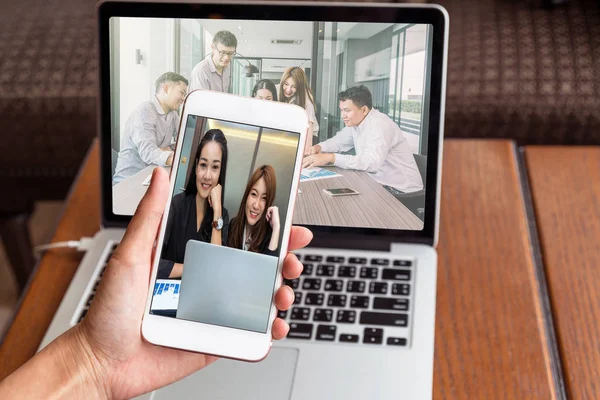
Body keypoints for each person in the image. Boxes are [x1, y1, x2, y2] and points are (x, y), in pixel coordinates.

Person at [0, 167, 312, 399]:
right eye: (253, 195)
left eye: (264, 198)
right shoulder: (227, 225)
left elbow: (265, 270)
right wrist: (92, 359)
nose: (256, 203)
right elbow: (214, 266)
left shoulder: (266, 234)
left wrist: (276, 231)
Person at [303, 85, 423, 194]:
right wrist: (319, 148)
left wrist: (330, 157)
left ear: (364, 110)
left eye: (347, 110)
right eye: (342, 110)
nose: (342, 115)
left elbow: (371, 163)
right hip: (379, 182)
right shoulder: (357, 123)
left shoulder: (379, 124)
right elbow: (339, 141)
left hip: (401, 191)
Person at [157, 129, 229, 279]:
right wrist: (192, 269)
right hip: (167, 292)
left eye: (215, 167)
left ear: (221, 172)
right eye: (203, 165)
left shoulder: (222, 216)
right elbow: (155, 262)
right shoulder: (177, 205)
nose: (207, 175)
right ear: (196, 166)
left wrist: (217, 210)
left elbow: (216, 271)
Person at [113, 72, 188, 184]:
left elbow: (182, 141)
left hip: (151, 176)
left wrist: (169, 148)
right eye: (181, 93)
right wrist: (176, 159)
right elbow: (148, 152)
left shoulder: (173, 114)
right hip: (128, 181)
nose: (183, 98)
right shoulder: (144, 111)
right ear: (166, 88)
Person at [228, 165, 280, 256]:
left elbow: (269, 268)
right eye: (254, 194)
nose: (256, 205)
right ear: (246, 195)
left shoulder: (268, 236)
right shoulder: (233, 224)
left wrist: (276, 228)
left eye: (264, 198)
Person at [278, 67, 319, 154]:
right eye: (286, 84)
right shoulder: (279, 90)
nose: (288, 90)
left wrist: (307, 150)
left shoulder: (306, 99)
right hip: (291, 133)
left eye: (294, 87)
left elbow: (309, 125)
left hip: (307, 135)